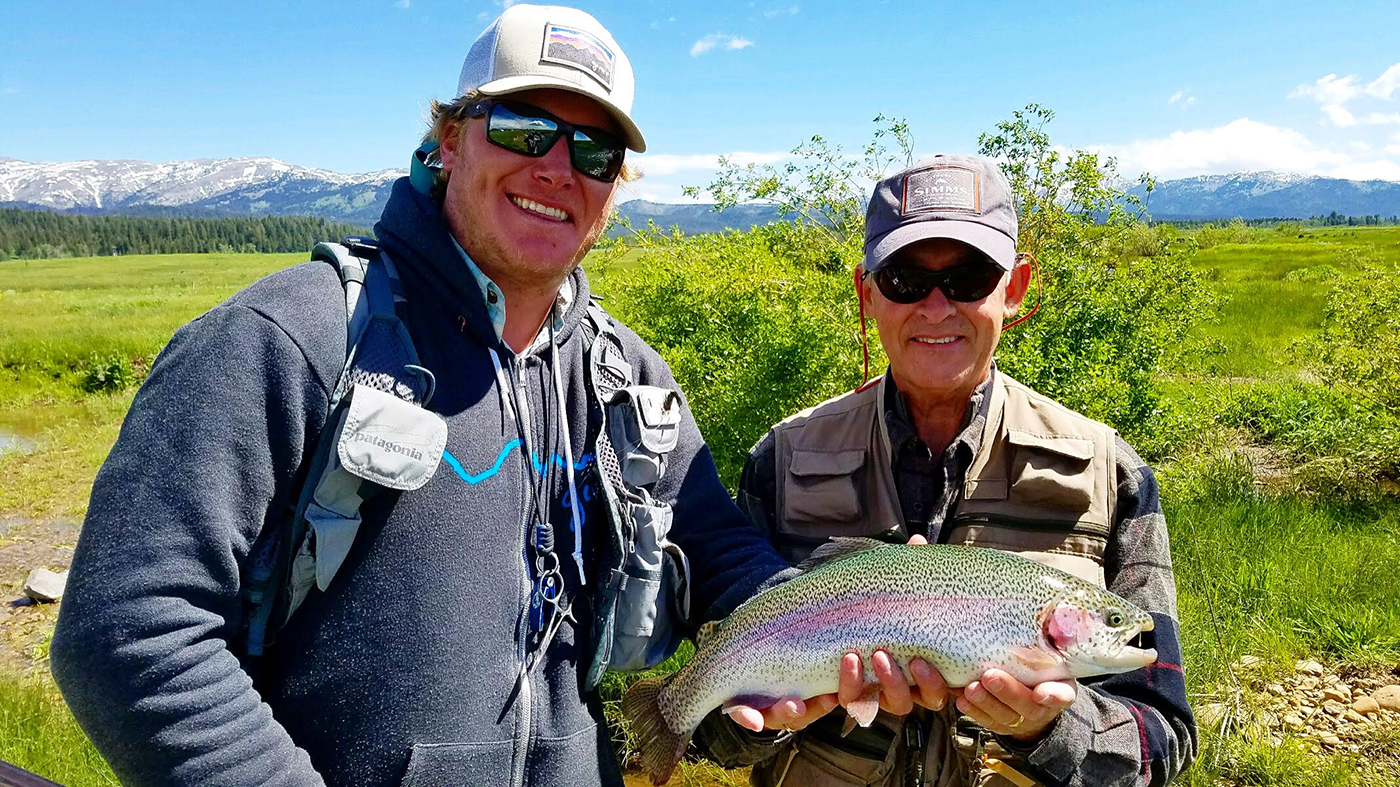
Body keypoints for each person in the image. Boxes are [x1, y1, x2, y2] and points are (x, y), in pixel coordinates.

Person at [49, 6, 791, 787]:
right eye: (523, 128)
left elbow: (726, 556)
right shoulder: (290, 339)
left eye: (596, 151)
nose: (557, 167)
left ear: (613, 189)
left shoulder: (629, 381)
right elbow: (129, 626)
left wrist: (850, 624)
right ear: (448, 138)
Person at [694, 156, 1196, 786]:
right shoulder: (781, 462)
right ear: (867, 293)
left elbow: (1164, 743)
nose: (936, 307)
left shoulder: (1111, 475)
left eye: (968, 278)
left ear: (1013, 289)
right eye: (906, 278)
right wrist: (762, 721)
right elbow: (716, 737)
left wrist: (1048, 729)